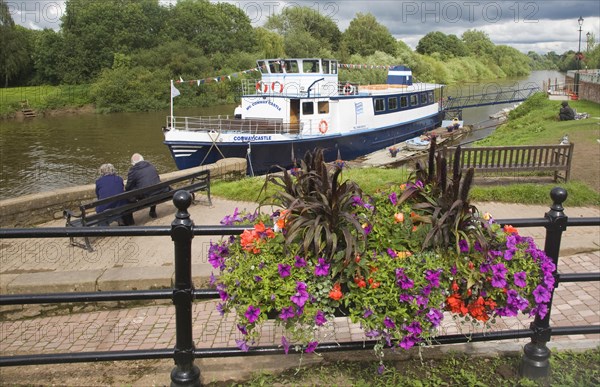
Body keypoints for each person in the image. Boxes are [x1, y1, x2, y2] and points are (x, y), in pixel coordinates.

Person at [125, 153, 165, 222]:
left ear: (133, 163)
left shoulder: (133, 171)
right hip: (157, 191)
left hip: (146, 195)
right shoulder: (151, 166)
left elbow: (128, 187)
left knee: (127, 195)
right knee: (151, 187)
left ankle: (130, 220)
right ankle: (152, 211)